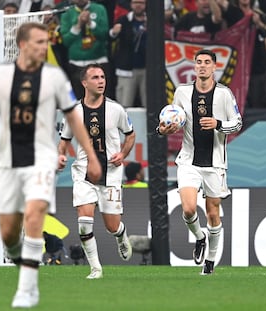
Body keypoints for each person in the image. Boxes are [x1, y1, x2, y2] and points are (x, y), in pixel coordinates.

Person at [0, 22, 101, 308]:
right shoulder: (0, 75)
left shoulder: (55, 78)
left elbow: (73, 117)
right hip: (8, 160)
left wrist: (91, 155)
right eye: (38, 42)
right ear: (23, 44)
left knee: (34, 214)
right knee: (9, 233)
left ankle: (27, 288)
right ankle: (17, 254)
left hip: (42, 157)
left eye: (45, 41)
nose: (43, 46)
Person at [156, 49, 242, 274]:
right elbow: (175, 119)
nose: (202, 66)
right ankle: (199, 237)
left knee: (213, 213)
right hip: (189, 160)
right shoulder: (182, 92)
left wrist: (218, 124)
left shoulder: (224, 94)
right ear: (194, 67)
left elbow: (237, 123)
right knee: (188, 208)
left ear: (215, 67)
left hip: (215, 162)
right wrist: (163, 129)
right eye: (199, 62)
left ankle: (211, 261)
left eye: (207, 62)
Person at [58, 63, 135, 279]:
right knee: (84, 222)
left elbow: (130, 135)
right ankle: (96, 268)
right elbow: (64, 140)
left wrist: (123, 154)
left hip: (110, 174)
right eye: (95, 77)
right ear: (84, 83)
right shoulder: (73, 112)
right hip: (84, 173)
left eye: (102, 77)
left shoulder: (116, 109)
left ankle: (120, 235)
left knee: (112, 225)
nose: (101, 81)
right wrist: (60, 156)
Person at [59, 0, 111, 100]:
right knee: (79, 103)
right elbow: (66, 41)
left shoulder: (99, 9)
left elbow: (104, 36)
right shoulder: (67, 13)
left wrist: (91, 23)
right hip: (76, 65)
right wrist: (78, 25)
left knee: (102, 101)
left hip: (99, 62)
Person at [110, 0, 147, 108]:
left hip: (147, 70)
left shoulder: (151, 21)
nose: (138, 5)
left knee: (150, 105)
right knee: (124, 105)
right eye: (135, 2)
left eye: (141, 2)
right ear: (131, 5)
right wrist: (114, 32)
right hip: (127, 69)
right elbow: (110, 38)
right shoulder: (123, 20)